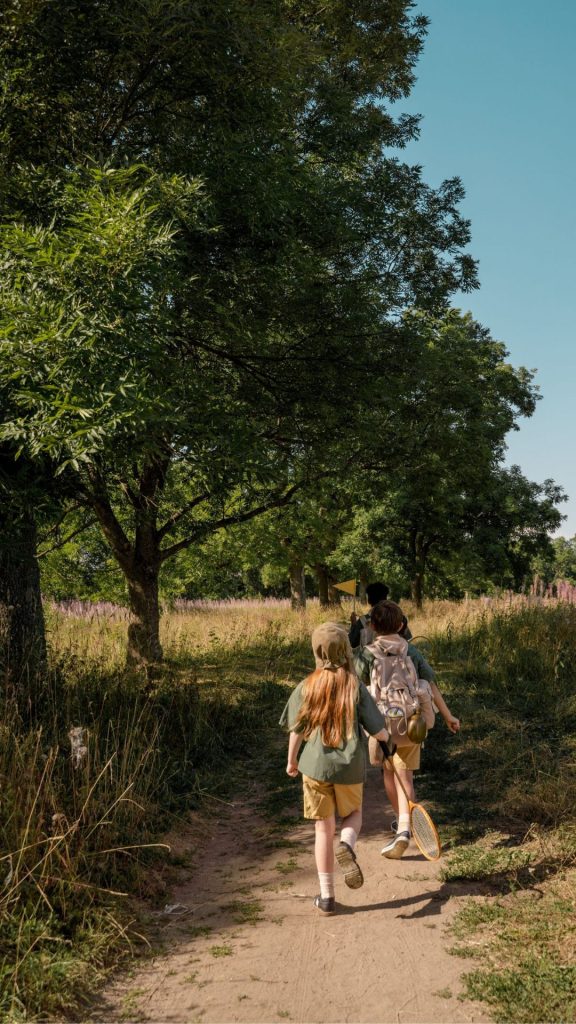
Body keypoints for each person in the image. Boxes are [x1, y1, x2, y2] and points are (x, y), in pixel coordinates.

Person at [279, 622, 394, 915]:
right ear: (346, 650)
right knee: (354, 814)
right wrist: (387, 743)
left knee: (322, 828)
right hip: (349, 767)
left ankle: (327, 896)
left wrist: (292, 760)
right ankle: (348, 844)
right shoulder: (353, 685)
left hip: (315, 767)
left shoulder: (308, 685)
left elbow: (297, 729)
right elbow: (378, 728)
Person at [354, 600, 460, 859]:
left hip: (381, 725)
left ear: (373, 626)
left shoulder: (367, 654)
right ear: (402, 625)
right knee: (406, 776)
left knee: (389, 775)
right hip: (412, 723)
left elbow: (357, 688)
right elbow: (430, 685)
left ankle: (402, 824)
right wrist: (448, 716)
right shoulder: (411, 651)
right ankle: (404, 825)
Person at [349, 581, 412, 649]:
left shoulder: (362, 621)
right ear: (386, 598)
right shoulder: (399, 618)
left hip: (370, 658)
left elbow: (352, 643)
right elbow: (408, 639)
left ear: (369, 600)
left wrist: (353, 624)